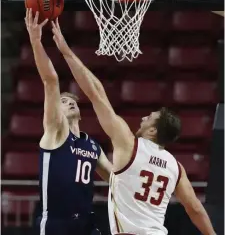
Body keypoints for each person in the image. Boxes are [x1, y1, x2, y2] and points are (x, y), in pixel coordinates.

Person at [51, 17, 216, 235]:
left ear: (154, 130)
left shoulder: (128, 143)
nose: (142, 119)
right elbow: (195, 208)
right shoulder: (175, 167)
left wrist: (67, 53)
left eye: (149, 118)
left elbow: (95, 93)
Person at [25, 8, 112, 235]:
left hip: (86, 223)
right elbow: (50, 80)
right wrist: (36, 40)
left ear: (81, 114)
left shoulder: (92, 145)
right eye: (63, 102)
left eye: (72, 101)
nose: (70, 102)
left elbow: (114, 179)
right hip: (57, 224)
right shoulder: (55, 131)